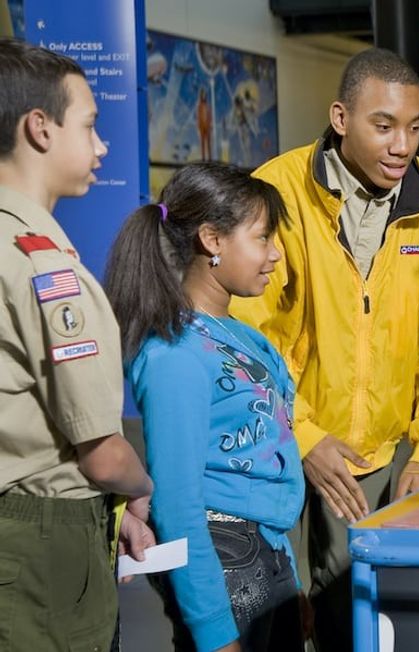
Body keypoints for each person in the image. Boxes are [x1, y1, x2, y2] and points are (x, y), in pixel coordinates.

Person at [227, 47, 419, 650]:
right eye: (384, 125)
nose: (403, 146)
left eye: (415, 128)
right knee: (273, 617)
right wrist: (304, 436)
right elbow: (247, 333)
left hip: (377, 457)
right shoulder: (277, 191)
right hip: (275, 444)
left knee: (354, 618)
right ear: (341, 118)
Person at [105, 162, 306, 652]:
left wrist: (291, 584)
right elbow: (176, 506)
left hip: (269, 559)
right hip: (225, 567)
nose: (275, 255)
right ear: (212, 240)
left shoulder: (245, 337)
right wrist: (216, 633)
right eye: (262, 238)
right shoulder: (174, 355)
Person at [0, 38, 154, 650]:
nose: (101, 146)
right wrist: (143, 492)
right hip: (42, 542)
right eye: (89, 126)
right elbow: (103, 454)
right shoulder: (45, 268)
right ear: (40, 128)